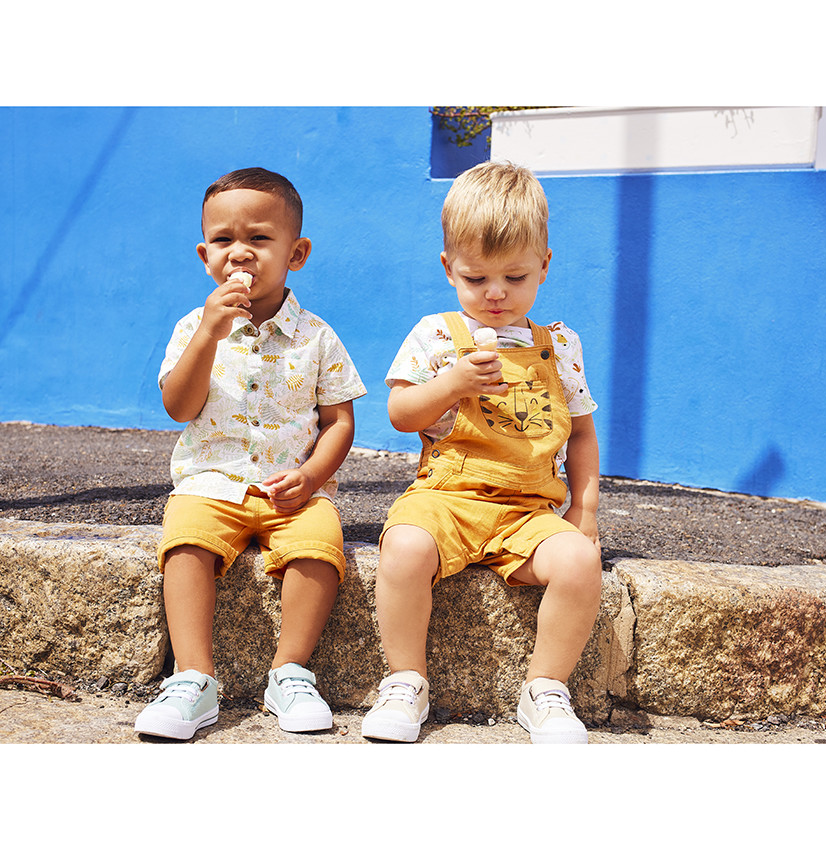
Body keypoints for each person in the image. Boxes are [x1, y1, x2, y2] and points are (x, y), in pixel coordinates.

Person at [361, 162, 601, 744]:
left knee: (578, 564)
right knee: (405, 546)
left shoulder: (560, 346)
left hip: (529, 511)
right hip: (447, 496)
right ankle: (405, 680)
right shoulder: (437, 335)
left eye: (515, 278)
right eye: (477, 279)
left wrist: (585, 510)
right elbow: (400, 414)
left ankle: (545, 688)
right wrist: (452, 384)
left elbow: (583, 434)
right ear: (449, 270)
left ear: (544, 266)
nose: (496, 294)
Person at [134, 167, 366, 740]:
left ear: (297, 252)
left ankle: (290, 672)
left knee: (319, 545)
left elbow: (340, 421)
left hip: (291, 488)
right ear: (204, 254)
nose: (240, 254)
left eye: (259, 239)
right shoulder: (194, 327)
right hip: (211, 482)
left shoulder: (316, 336)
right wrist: (208, 337)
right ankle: (193, 678)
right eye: (223, 241)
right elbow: (178, 406)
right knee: (185, 536)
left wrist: (313, 477)